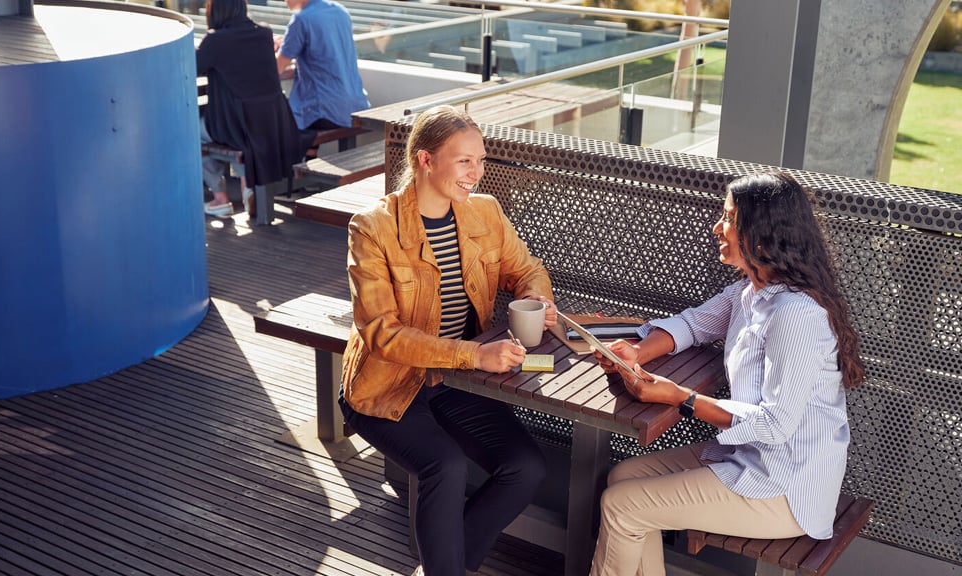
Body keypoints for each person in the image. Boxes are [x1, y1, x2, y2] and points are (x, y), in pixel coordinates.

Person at [589, 171, 865, 576]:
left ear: (763, 232)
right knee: (623, 477)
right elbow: (694, 324)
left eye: (729, 219)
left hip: (785, 486)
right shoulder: (750, 293)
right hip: (748, 459)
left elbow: (776, 424)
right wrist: (636, 352)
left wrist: (678, 397)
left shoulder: (794, 314)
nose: (718, 227)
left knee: (623, 506)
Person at [339, 105, 556, 576]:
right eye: (464, 162)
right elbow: (381, 333)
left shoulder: (486, 213)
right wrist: (475, 353)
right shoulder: (373, 227)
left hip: (459, 382)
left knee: (526, 469)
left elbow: (527, 269)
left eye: (480, 160)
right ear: (425, 160)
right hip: (387, 386)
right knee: (446, 467)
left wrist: (536, 297)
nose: (476, 173)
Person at [196, 0, 283, 217]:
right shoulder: (264, 34)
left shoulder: (215, 40)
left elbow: (192, 67)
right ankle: (248, 186)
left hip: (230, 126)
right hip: (266, 123)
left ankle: (220, 198)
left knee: (192, 132)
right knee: (244, 136)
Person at [274, 0, 371, 131]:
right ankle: (311, 151)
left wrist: (273, 48)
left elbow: (276, 68)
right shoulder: (340, 11)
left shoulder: (302, 19)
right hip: (356, 104)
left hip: (325, 111)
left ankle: (309, 151)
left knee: (276, 123)